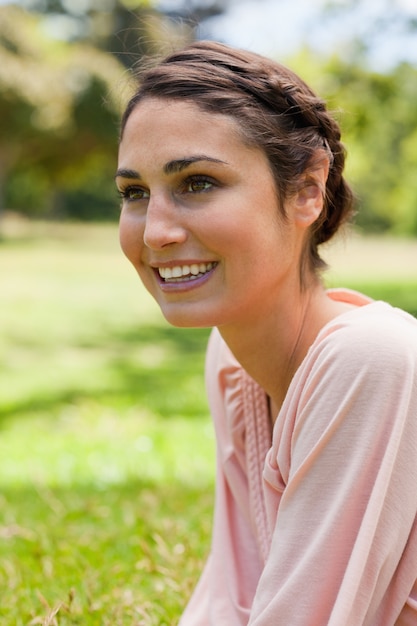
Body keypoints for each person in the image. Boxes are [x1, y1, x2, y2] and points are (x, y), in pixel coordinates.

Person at [115, 40, 417, 625]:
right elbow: (233, 598)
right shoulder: (232, 357)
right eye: (134, 193)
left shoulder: (373, 358)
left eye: (198, 182)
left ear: (307, 188)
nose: (155, 232)